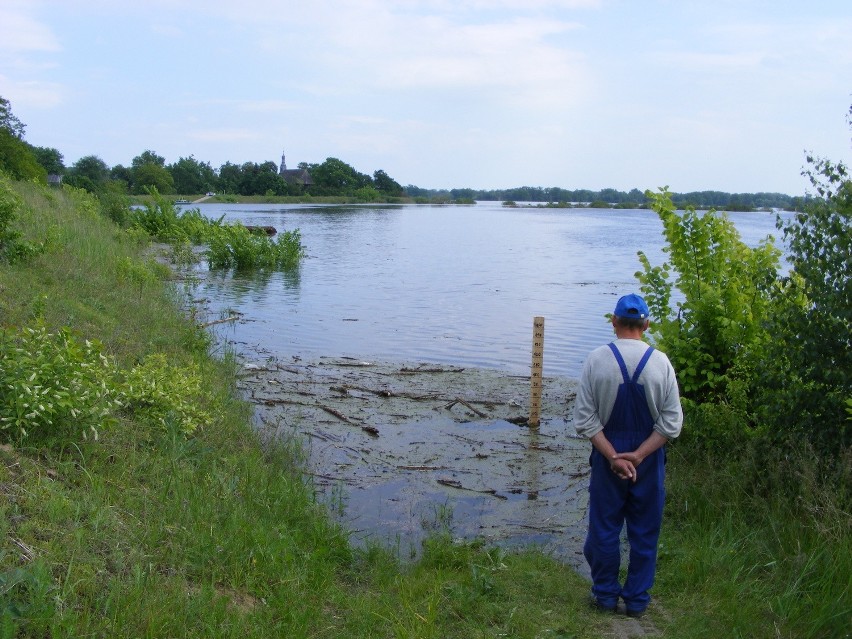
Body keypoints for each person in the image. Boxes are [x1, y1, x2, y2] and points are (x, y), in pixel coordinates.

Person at [573, 293, 683, 618]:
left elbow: (585, 420)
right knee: (644, 531)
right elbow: (671, 423)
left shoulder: (596, 359)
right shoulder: (661, 362)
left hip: (608, 454)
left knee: (604, 528)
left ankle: (605, 595)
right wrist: (638, 455)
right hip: (648, 457)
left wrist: (613, 456)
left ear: (614, 322)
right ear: (646, 324)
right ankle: (636, 600)